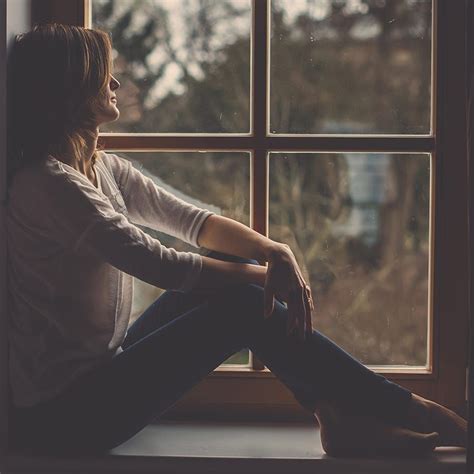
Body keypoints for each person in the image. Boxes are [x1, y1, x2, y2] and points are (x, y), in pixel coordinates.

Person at [5, 23, 466, 457]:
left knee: (233, 260)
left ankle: (338, 414)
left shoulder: (100, 167)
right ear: (72, 90)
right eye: (103, 73)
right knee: (242, 304)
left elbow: (196, 223)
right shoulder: (47, 186)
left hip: (102, 376)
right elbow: (162, 265)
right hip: (63, 418)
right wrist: (267, 278)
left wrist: (271, 251)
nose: (116, 83)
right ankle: (403, 407)